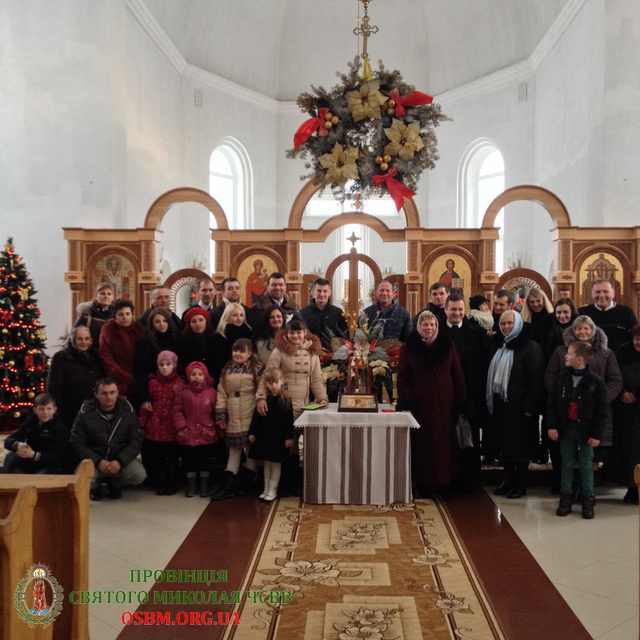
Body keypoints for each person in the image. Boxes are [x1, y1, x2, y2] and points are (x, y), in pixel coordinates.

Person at [544, 315, 622, 496]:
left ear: (593, 330)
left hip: (594, 413)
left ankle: (586, 492)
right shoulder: (561, 352)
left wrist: (601, 398)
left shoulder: (606, 353)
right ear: (572, 330)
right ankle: (569, 491)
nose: (582, 332)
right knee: (568, 456)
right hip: (568, 412)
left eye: (586, 328)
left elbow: (616, 380)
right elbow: (549, 377)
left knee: (590, 456)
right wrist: (561, 396)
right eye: (578, 328)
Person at [397, 310, 468, 499]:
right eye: (425, 324)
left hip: (446, 403)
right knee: (425, 445)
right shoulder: (408, 348)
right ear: (419, 326)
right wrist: (407, 402)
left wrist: (461, 402)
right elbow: (403, 379)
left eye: (432, 324)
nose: (429, 328)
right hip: (422, 405)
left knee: (445, 445)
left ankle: (444, 482)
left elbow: (457, 374)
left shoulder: (447, 345)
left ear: (437, 326)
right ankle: (424, 483)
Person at [256, 318, 328, 495]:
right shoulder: (279, 351)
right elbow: (267, 375)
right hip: (283, 405)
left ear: (305, 333)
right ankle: (280, 485)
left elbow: (316, 379)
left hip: (303, 405)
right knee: (283, 443)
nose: (295, 336)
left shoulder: (312, 352)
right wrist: (261, 397)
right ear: (287, 334)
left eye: (298, 332)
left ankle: (294, 482)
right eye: (292, 333)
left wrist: (322, 398)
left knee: (296, 445)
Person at [547, 341, 608, 519]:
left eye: (569, 353)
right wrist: (552, 426)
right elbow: (551, 405)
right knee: (566, 463)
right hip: (567, 429)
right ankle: (565, 498)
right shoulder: (561, 379)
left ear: (579, 359)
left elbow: (601, 411)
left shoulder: (596, 382)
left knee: (586, 464)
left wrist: (596, 434)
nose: (565, 355)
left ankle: (588, 499)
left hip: (586, 431)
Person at [487, 310, 544, 499]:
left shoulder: (530, 347)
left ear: (518, 323)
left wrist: (530, 407)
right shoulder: (499, 345)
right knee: (505, 446)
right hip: (502, 405)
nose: (506, 327)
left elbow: (536, 379)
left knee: (521, 448)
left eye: (510, 323)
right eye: (503, 324)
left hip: (521, 407)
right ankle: (508, 480)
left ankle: (520, 484)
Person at [441, 294, 490, 492]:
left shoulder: (476, 332)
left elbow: (483, 364)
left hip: (470, 393)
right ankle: (447, 480)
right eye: (453, 309)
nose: (457, 313)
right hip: (445, 394)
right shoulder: (437, 331)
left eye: (460, 309)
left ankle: (470, 481)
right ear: (445, 309)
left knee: (470, 438)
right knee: (445, 437)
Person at [70, 377, 146, 500]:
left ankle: (115, 483)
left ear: (117, 393)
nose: (109, 397)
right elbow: (77, 443)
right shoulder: (84, 414)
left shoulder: (129, 413)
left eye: (112, 392)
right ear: (96, 394)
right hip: (94, 461)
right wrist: (98, 461)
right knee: (81, 479)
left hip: (118, 461)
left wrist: (119, 461)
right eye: (104, 393)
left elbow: (136, 441)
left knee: (139, 475)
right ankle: (95, 486)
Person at [210, 339, 261, 500]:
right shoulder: (227, 370)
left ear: (249, 353)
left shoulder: (257, 369)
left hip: (250, 413)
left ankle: (249, 483)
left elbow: (261, 392)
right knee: (234, 449)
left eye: (241, 351)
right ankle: (229, 484)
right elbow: (221, 393)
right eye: (235, 350)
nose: (237, 354)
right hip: (233, 414)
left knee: (251, 449)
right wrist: (221, 415)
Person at [138, 350, 184, 495]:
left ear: (174, 365)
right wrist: (142, 424)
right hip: (156, 426)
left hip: (173, 427)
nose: (164, 367)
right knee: (159, 457)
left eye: (168, 364)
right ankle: (162, 482)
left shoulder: (180, 383)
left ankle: (172, 482)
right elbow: (145, 406)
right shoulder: (152, 383)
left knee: (173, 457)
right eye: (161, 364)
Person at [248, 368, 294, 501]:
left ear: (281, 382)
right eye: (270, 383)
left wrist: (289, 437)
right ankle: (266, 488)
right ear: (266, 384)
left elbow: (288, 421)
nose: (273, 386)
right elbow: (256, 418)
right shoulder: (264, 400)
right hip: (265, 436)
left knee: (275, 463)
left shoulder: (286, 400)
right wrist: (252, 432)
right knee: (266, 463)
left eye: (276, 382)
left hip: (278, 438)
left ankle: (273, 490)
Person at [173, 361, 218, 497]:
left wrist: (215, 426)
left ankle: (204, 486)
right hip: (188, 433)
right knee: (190, 460)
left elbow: (215, 411)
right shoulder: (183, 393)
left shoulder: (211, 392)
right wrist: (181, 427)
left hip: (205, 432)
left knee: (204, 459)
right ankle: (191, 485)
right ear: (188, 377)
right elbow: (177, 411)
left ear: (205, 376)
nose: (197, 377)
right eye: (193, 374)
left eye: (200, 374)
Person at [47, 326, 105, 430]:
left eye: (87, 338)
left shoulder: (96, 357)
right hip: (70, 413)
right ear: (73, 340)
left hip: (94, 412)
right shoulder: (60, 358)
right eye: (80, 339)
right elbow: (54, 389)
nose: (84, 342)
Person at [608, 325, 640, 503]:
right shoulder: (622, 352)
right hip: (624, 412)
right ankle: (631, 487)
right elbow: (614, 375)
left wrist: (636, 395)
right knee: (627, 451)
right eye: (637, 339)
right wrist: (621, 394)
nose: (639, 342)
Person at [3, 393, 69, 474]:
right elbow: (9, 440)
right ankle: (5, 480)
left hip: (49, 465)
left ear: (54, 410)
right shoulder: (31, 421)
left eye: (49, 409)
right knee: (11, 457)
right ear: (35, 410)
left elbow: (58, 457)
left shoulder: (60, 428)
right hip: (30, 458)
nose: (45, 412)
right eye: (41, 409)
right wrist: (17, 445)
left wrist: (34, 455)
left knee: (41, 475)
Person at [99, 299, 145, 399]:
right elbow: (107, 357)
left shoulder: (140, 330)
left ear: (132, 314)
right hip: (116, 380)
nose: (125, 317)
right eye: (120, 314)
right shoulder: (108, 329)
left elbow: (144, 357)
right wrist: (127, 377)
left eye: (127, 314)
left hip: (138, 379)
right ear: (115, 316)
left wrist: (137, 377)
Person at [135, 308, 179, 409]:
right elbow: (141, 371)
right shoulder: (146, 341)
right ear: (151, 324)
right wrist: (144, 398)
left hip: (172, 389)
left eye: (164, 321)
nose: (162, 324)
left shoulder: (174, 339)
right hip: (153, 388)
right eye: (157, 322)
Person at [578, 278, 638, 352]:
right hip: (590, 357)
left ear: (613, 293)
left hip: (620, 358)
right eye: (597, 292)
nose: (601, 295)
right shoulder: (581, 313)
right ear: (592, 294)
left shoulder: (627, 313)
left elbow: (634, 339)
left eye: (605, 291)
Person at [300, 277, 348, 349]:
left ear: (329, 292)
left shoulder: (338, 313)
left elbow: (344, 337)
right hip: (310, 352)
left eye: (325, 291)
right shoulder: (303, 313)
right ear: (313, 292)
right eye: (319, 291)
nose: (322, 294)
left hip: (333, 354)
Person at [210, 302, 253, 382]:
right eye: (235, 315)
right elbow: (217, 362)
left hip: (247, 376)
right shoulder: (220, 336)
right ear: (227, 316)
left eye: (241, 315)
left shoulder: (249, 333)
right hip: (227, 376)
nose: (239, 318)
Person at [176, 307, 218, 377]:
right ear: (189, 324)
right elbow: (181, 365)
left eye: (201, 320)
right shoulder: (183, 341)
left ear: (206, 321)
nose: (198, 324)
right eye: (193, 321)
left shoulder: (215, 339)